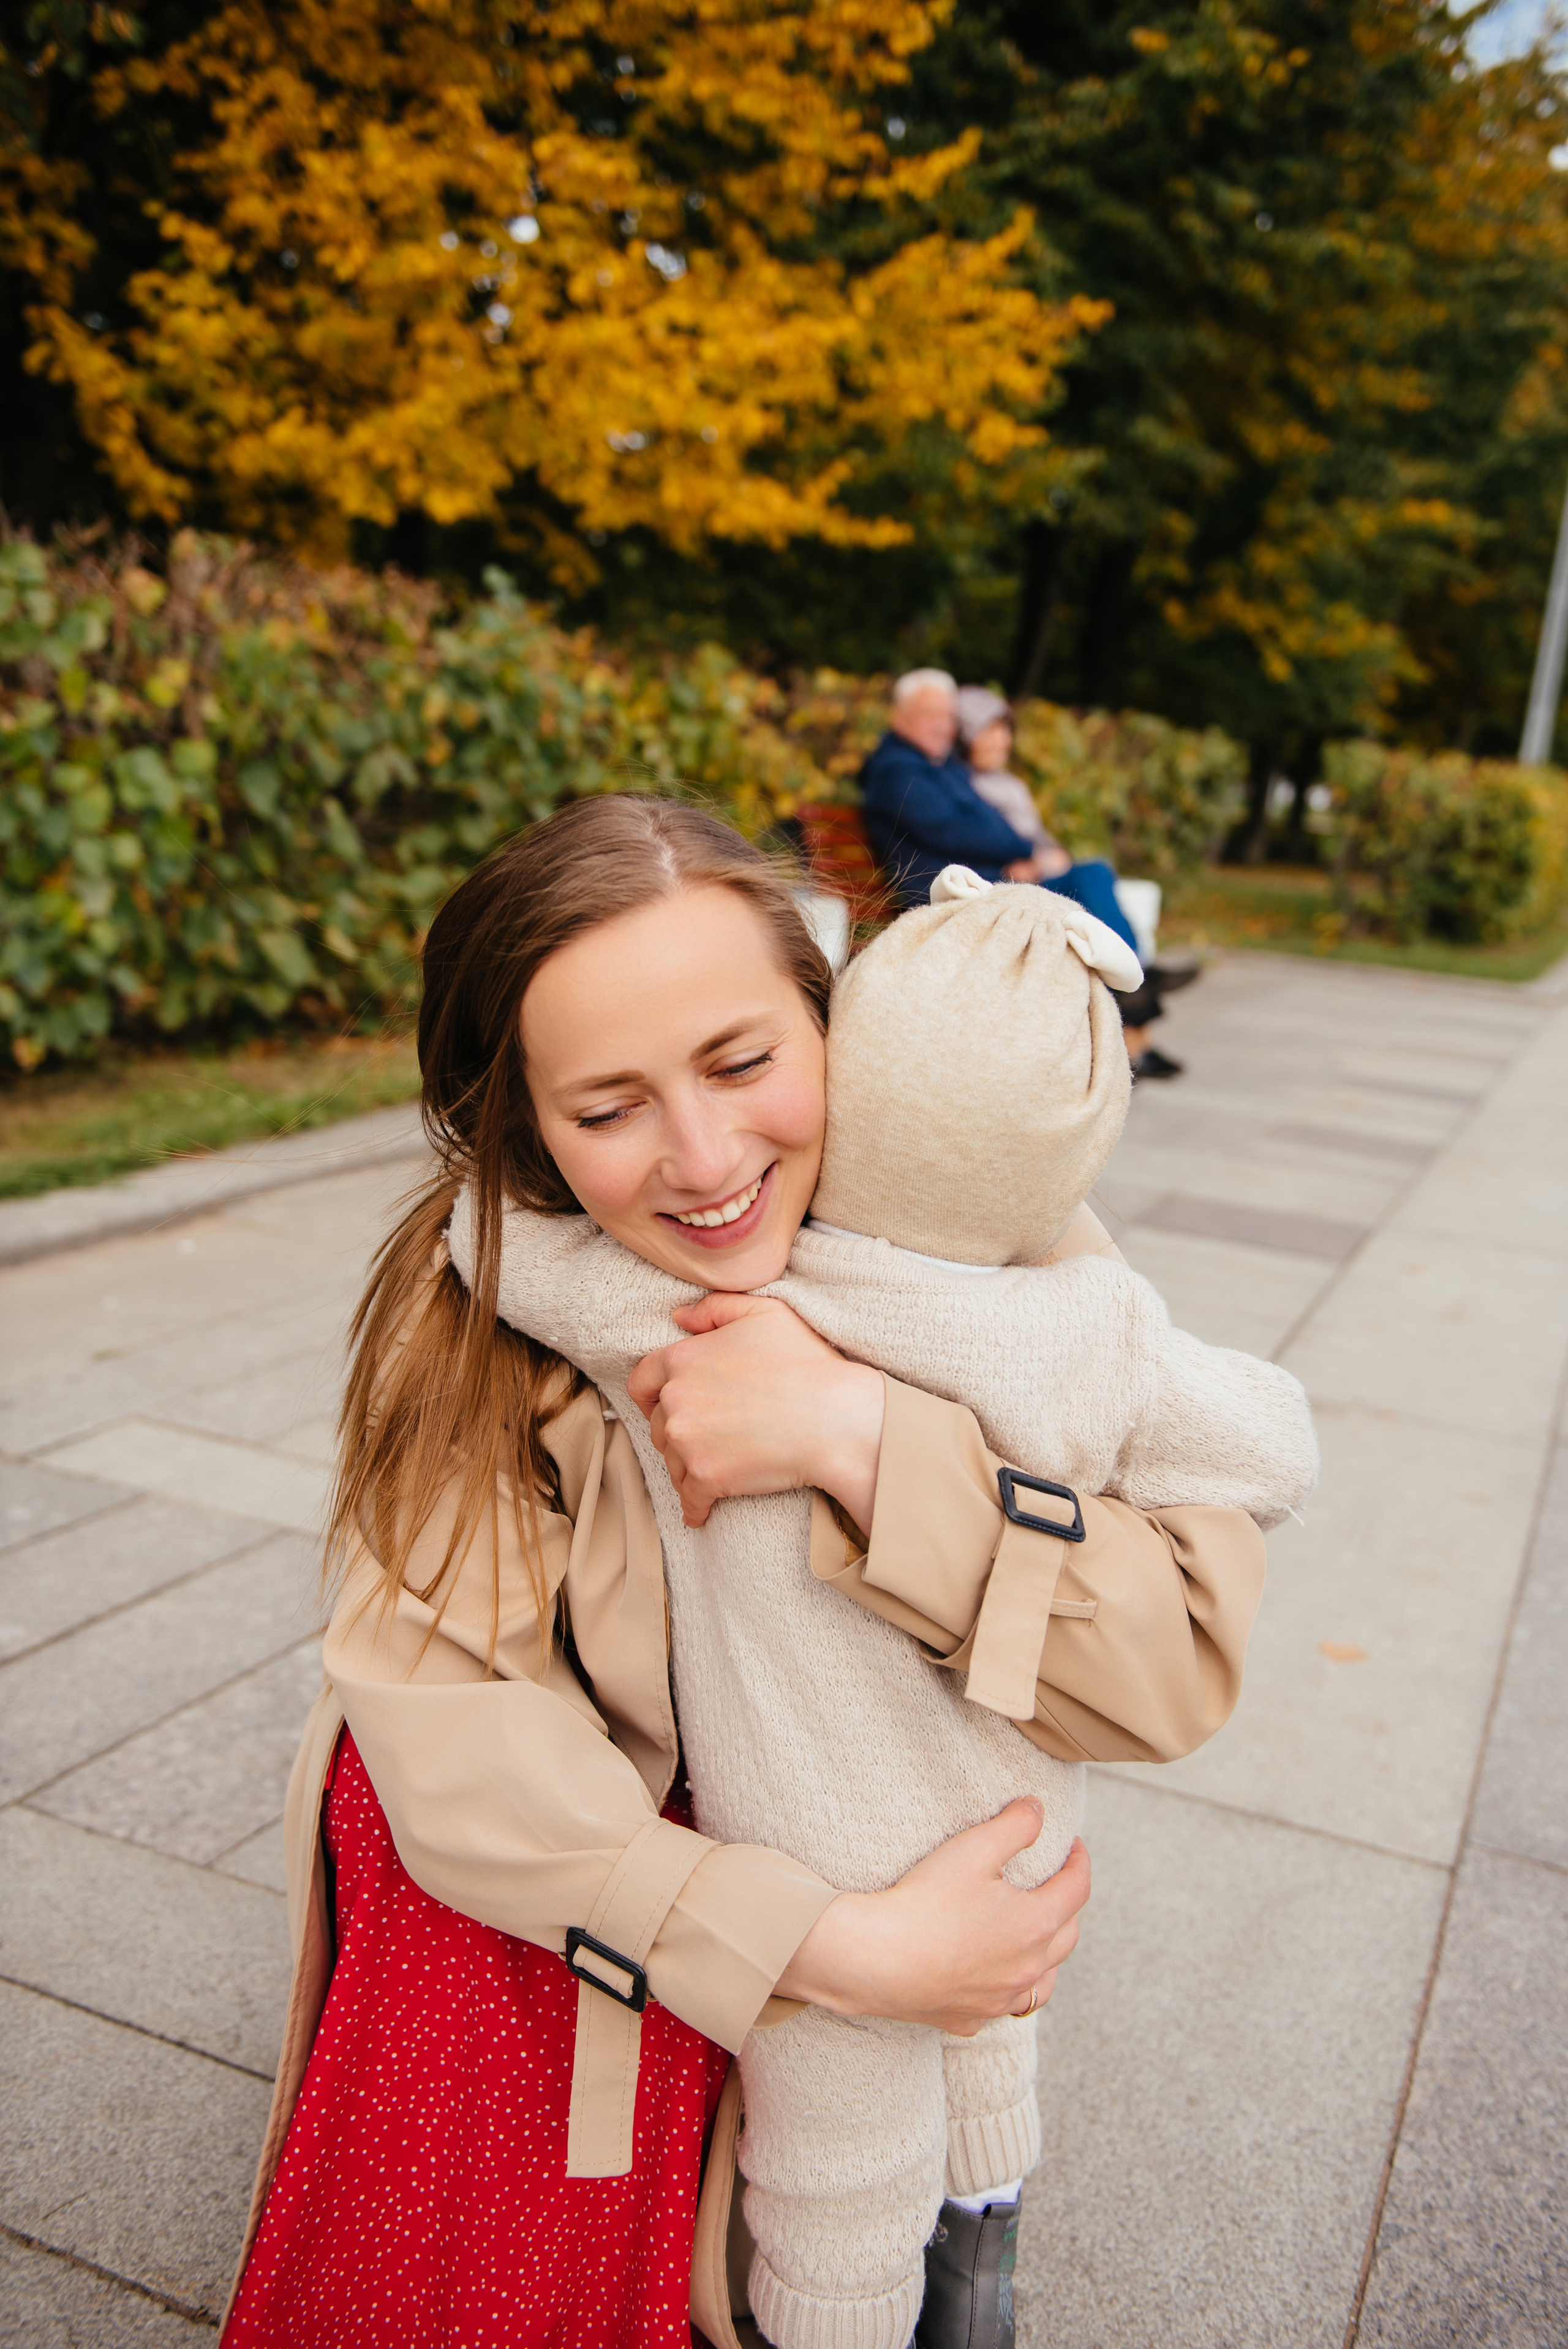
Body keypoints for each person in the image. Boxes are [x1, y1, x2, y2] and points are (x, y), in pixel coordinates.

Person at [221, 796, 1276, 2349]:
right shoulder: (487, 1324)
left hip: (950, 2036)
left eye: (740, 1061)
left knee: (951, 2269)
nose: (705, 1159)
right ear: (520, 1119)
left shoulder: (997, 1256)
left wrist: (859, 1438)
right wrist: (841, 1950)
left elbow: (1168, 1659)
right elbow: (451, 1743)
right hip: (660, 2007)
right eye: (608, 1109)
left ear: (829, 1020)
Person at [860, 671, 1195, 1078]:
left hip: (985, 884)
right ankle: (1137, 977)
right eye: (929, 714)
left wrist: (1014, 851)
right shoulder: (899, 770)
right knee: (1087, 880)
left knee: (1090, 879)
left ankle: (1134, 987)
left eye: (948, 716)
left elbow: (985, 825)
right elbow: (959, 830)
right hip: (953, 895)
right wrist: (1023, 853)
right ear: (900, 715)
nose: (942, 724)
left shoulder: (936, 766)